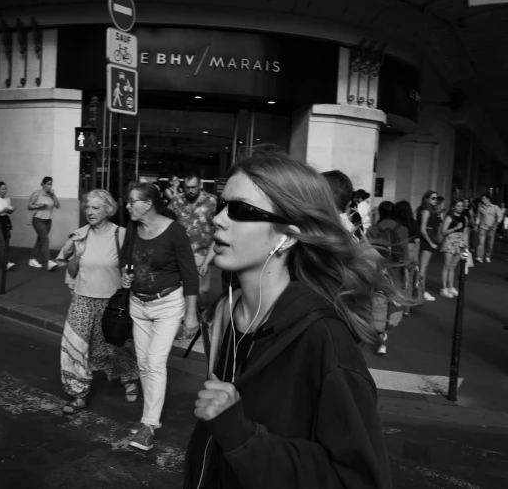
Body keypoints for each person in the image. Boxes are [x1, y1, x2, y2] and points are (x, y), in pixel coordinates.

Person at [183, 148, 395, 489]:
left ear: (286, 237)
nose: (219, 218)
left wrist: (241, 435)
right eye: (222, 205)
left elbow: (359, 480)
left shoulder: (324, 339)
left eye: (239, 210)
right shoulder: (224, 312)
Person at [121, 183, 199, 452]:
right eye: (128, 201)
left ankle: (148, 425)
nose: (128, 206)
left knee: (154, 363)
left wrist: (190, 315)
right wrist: (127, 272)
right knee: (143, 363)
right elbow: (127, 257)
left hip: (167, 304)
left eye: (133, 201)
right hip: (138, 304)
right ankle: (148, 418)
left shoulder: (174, 231)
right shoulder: (133, 228)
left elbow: (190, 274)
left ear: (148, 204)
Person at [57, 189, 139, 415]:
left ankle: (129, 378)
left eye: (95, 208)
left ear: (108, 209)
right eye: (87, 208)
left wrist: (128, 277)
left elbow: (131, 263)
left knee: (116, 346)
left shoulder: (120, 234)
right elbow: (72, 272)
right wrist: (76, 255)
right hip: (82, 299)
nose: (89, 212)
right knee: (74, 346)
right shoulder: (79, 235)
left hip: (111, 302)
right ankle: (78, 394)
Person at [170, 174, 219, 313]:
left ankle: (201, 311)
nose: (190, 190)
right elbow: (167, 221)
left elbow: (218, 228)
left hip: (202, 253)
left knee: (201, 290)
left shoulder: (212, 201)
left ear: (200, 186)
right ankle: (184, 318)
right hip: (179, 253)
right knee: (180, 289)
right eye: (187, 188)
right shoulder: (176, 201)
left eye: (193, 187)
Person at [366, 201, 409, 355]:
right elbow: (405, 254)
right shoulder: (403, 229)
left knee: (378, 302)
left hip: (378, 270)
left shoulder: (372, 229)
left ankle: (380, 337)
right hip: (395, 271)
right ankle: (385, 331)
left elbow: (367, 253)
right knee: (393, 303)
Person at [28, 176, 60, 270]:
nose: (49, 186)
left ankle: (32, 259)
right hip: (38, 220)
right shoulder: (37, 193)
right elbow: (29, 206)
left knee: (40, 240)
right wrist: (39, 205)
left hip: (48, 221)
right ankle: (49, 262)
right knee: (45, 241)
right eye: (48, 184)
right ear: (43, 184)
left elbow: (58, 206)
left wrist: (54, 195)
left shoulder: (51, 195)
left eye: (51, 184)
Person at [440, 199, 469, 298]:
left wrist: (465, 242)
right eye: (458, 206)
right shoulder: (449, 217)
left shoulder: (465, 218)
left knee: (453, 266)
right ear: (453, 207)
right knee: (447, 265)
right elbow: (443, 232)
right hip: (450, 242)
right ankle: (444, 288)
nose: (460, 207)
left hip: (460, 242)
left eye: (461, 206)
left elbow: (465, 231)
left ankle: (450, 286)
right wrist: (455, 228)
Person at [416, 190, 440, 302]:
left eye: (436, 198)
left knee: (422, 267)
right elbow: (422, 229)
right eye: (433, 198)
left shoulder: (426, 209)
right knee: (423, 268)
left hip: (428, 238)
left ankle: (420, 290)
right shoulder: (425, 211)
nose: (435, 200)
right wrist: (431, 242)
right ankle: (422, 291)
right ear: (426, 199)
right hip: (426, 240)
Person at [475, 193, 501, 263]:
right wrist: (476, 225)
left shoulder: (495, 207)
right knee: (481, 242)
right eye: (482, 199)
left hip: (492, 228)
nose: (482, 200)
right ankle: (480, 257)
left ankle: (487, 256)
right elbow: (478, 217)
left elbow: (500, 217)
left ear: (488, 199)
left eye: (484, 198)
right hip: (482, 227)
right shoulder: (480, 208)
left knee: (490, 244)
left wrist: (496, 224)